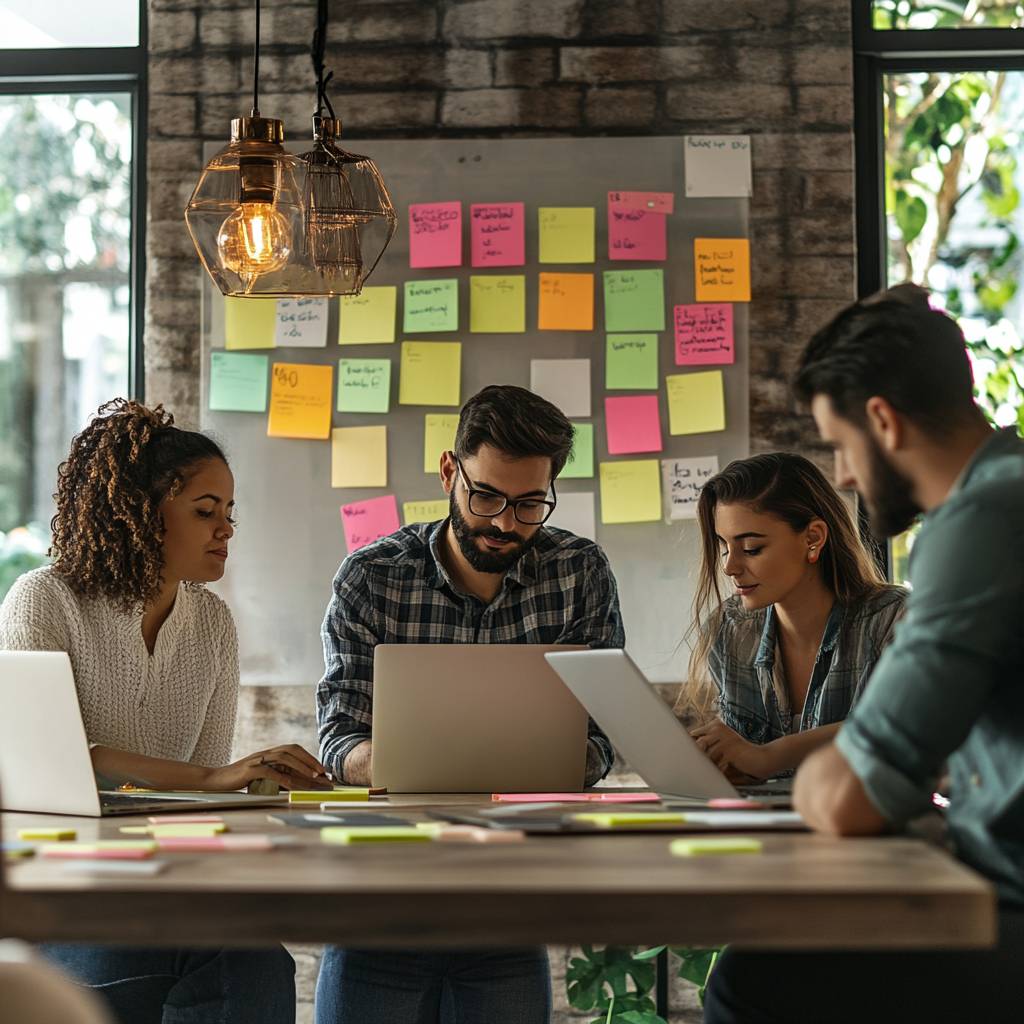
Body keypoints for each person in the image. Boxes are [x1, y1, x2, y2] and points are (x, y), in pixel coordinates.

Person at [703, 286, 1024, 1023]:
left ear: (883, 420)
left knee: (752, 983)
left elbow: (851, 796)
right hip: (986, 877)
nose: (844, 475)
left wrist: (809, 773)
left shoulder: (980, 518)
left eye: (842, 446)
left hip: (1008, 902)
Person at [0, 398, 330, 1024]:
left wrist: (254, 785)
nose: (225, 529)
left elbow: (199, 797)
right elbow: (53, 765)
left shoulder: (212, 625)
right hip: (65, 890)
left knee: (259, 961)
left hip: (166, 883)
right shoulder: (43, 600)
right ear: (139, 514)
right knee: (145, 964)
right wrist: (216, 779)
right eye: (205, 511)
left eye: (230, 513)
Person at [315, 384, 624, 1024]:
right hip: (383, 904)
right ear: (450, 470)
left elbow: (603, 733)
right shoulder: (371, 576)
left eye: (530, 504)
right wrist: (392, 763)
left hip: (509, 904)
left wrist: (549, 760)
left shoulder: (580, 572)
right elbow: (339, 734)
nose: (506, 523)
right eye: (486, 496)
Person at [677, 452, 905, 781]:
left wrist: (769, 756)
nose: (729, 567)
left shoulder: (893, 620)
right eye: (725, 547)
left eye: (752, 548)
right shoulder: (729, 629)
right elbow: (749, 769)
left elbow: (901, 730)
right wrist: (730, 764)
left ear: (813, 538)